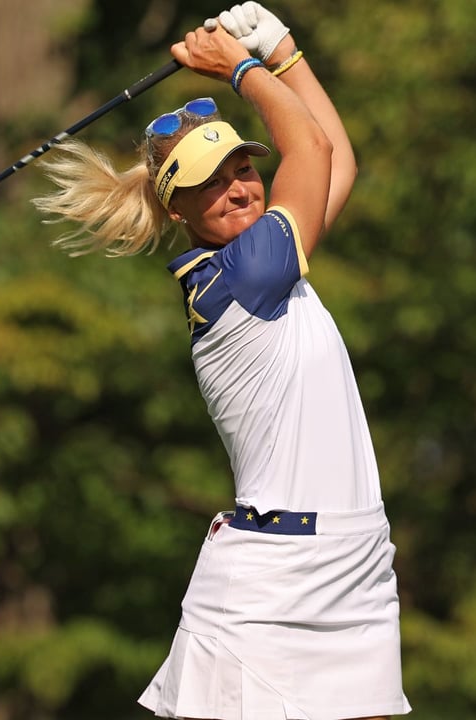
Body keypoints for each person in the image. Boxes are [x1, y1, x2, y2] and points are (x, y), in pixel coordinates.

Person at [31, 4, 411, 718]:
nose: (241, 187)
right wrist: (242, 68)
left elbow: (336, 156)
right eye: (214, 181)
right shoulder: (241, 276)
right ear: (178, 209)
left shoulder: (273, 262)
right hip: (272, 579)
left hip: (356, 561)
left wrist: (283, 49)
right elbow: (312, 150)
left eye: (244, 167)